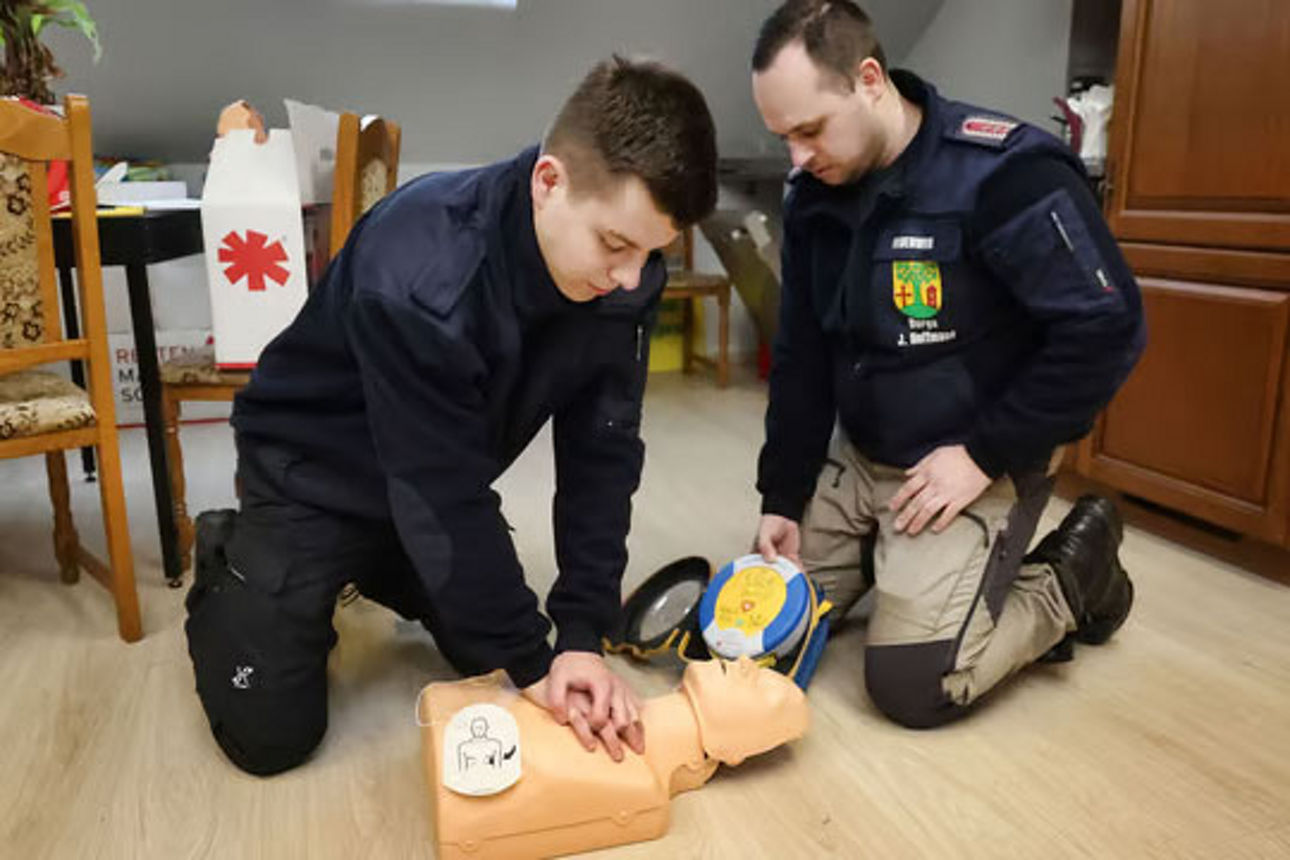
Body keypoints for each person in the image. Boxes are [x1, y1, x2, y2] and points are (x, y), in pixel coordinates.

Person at [184, 56, 718, 775]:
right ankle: (232, 555)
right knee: (271, 739)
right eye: (616, 245)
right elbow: (442, 493)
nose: (631, 278)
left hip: (435, 472)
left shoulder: (625, 274)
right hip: (314, 476)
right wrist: (535, 663)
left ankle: (384, 563)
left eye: (652, 254)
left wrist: (581, 637)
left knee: (485, 652)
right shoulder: (421, 273)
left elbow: (603, 452)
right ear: (549, 181)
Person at [747, 0, 1146, 728]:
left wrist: (985, 453)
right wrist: (781, 495)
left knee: (912, 684)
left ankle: (1071, 575)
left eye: (809, 130)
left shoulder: (1006, 174)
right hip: (865, 451)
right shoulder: (813, 196)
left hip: (973, 455)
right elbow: (802, 355)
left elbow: (1107, 327)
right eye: (783, 138)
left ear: (869, 79)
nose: (797, 159)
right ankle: (892, 559)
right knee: (753, 638)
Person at [419, 658, 810, 860]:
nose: (746, 663)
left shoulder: (640, 793)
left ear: (732, 753)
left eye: (763, 689)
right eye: (760, 670)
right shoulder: (594, 691)